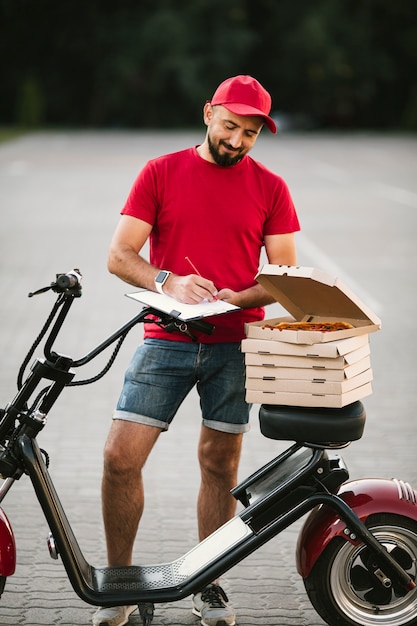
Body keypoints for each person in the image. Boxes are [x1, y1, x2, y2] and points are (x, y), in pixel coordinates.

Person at [93, 75, 300, 626]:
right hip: (166, 338)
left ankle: (208, 583)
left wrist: (242, 293)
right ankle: (119, 586)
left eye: (251, 133)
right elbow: (119, 255)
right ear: (208, 113)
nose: (237, 141)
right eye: (231, 126)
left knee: (219, 465)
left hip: (235, 346)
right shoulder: (160, 172)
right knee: (119, 459)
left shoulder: (272, 187)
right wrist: (168, 282)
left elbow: (282, 272)